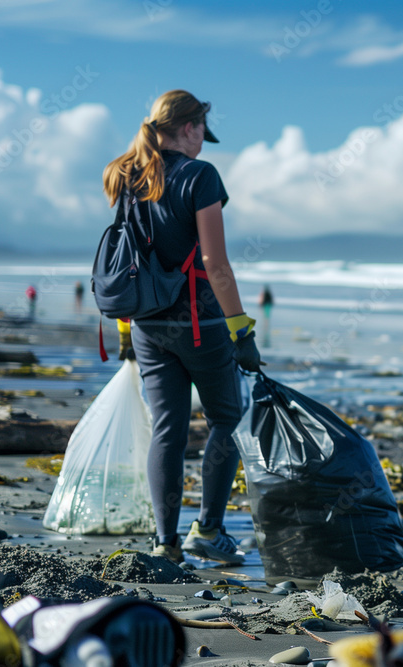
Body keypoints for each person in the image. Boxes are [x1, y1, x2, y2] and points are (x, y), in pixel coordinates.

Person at [102, 89, 262, 565]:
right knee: (227, 422)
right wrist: (242, 331)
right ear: (190, 127)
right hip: (201, 323)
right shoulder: (201, 176)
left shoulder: (128, 174)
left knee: (168, 429)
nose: (202, 145)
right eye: (201, 134)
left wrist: (127, 333)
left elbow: (128, 260)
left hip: (149, 325)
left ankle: (165, 542)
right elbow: (216, 263)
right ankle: (209, 531)